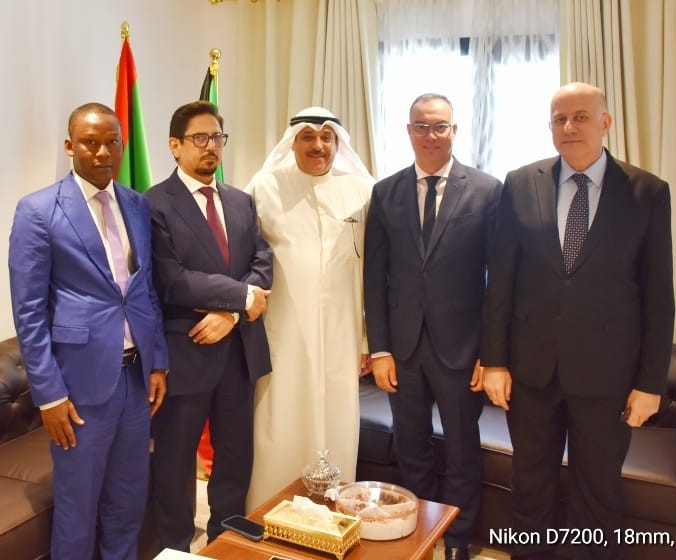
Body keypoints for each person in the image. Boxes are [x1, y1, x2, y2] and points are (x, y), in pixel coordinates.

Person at [481, 82, 675, 560]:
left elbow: (658, 297)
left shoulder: (647, 191)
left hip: (608, 378)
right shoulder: (520, 183)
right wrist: (495, 362)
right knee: (529, 489)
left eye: (581, 117)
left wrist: (650, 384)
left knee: (598, 495)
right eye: (559, 118)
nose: (569, 127)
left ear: (605, 123)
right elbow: (501, 280)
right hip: (532, 374)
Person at [8, 102, 169, 560]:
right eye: (90, 143)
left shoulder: (136, 204)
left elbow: (144, 291)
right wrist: (49, 397)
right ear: (70, 146)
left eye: (111, 142)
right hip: (78, 389)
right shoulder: (39, 210)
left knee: (128, 503)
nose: (102, 152)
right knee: (77, 511)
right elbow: (29, 313)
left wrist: (158, 361)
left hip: (135, 381)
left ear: (122, 144)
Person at [364, 93, 501, 560]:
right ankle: (421, 534)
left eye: (440, 126)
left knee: (462, 449)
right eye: (421, 126)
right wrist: (380, 349)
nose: (431, 135)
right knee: (411, 447)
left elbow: (499, 280)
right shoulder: (385, 192)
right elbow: (375, 277)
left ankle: (458, 541)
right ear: (409, 131)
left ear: (454, 131)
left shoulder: (486, 190)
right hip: (403, 349)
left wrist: (491, 353)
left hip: (463, 349)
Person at [145, 101, 272, 550]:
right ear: (174, 146)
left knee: (235, 462)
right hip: (186, 354)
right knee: (175, 466)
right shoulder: (153, 204)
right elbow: (172, 279)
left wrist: (231, 314)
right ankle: (176, 550)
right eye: (199, 138)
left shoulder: (240, 200)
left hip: (238, 352)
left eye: (217, 137)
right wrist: (241, 297)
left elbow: (262, 261)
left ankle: (226, 544)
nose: (211, 146)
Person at [244, 107, 374, 509]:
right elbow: (246, 257)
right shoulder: (265, 187)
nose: (318, 145)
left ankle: (333, 511)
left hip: (342, 331)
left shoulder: (362, 190)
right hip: (283, 330)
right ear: (293, 142)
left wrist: (368, 340)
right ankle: (271, 509)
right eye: (308, 137)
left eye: (327, 137)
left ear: (337, 143)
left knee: (337, 418)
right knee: (280, 419)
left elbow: (377, 269)